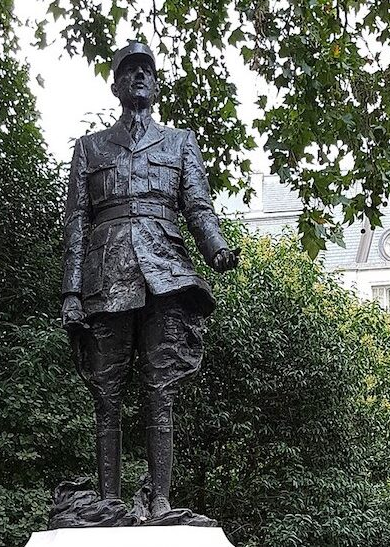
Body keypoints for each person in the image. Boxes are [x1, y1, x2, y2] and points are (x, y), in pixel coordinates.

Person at [61, 40, 238, 519]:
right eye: (129, 71)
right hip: (105, 276)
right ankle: (109, 500)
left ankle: (160, 499)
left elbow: (198, 206)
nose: (138, 76)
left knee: (161, 390)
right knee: (107, 394)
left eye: (147, 70)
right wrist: (71, 291)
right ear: (116, 85)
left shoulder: (181, 143)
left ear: (156, 86)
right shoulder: (90, 148)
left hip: (166, 272)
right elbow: (77, 221)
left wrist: (216, 247)